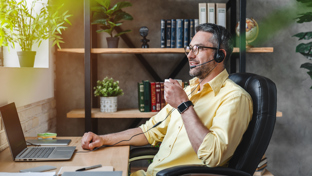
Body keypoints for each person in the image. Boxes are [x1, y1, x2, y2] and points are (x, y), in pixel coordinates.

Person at [81, 23, 253, 176]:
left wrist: (184, 105)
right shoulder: (190, 89)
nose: (190, 55)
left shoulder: (234, 97)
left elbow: (213, 156)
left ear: (220, 56)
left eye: (198, 48)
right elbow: (150, 130)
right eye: (189, 48)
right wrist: (103, 139)